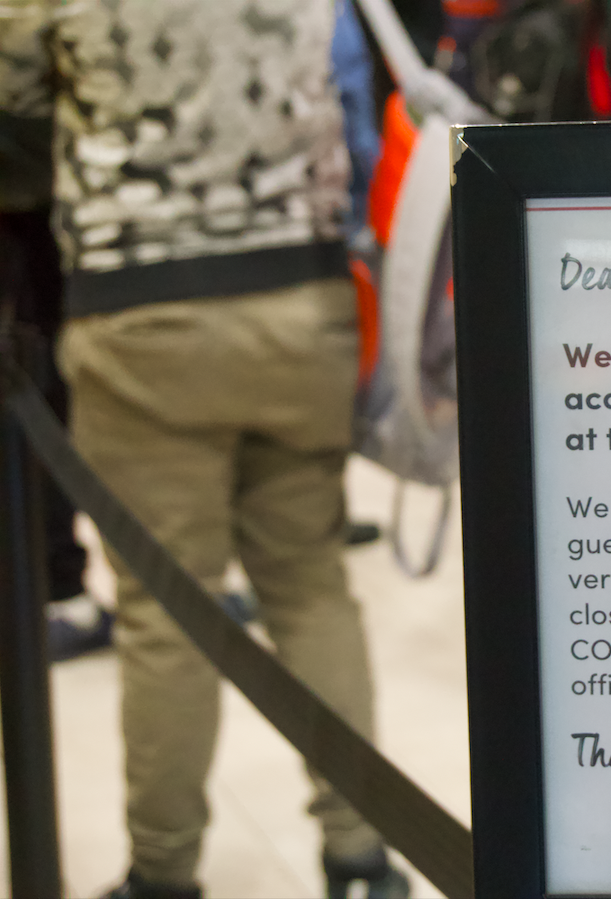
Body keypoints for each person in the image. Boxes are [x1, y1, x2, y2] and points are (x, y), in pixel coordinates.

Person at [0, 2, 408, 897]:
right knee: (310, 586)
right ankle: (360, 856)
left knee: (164, 611)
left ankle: (164, 870)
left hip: (143, 311)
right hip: (301, 297)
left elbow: (11, 102)